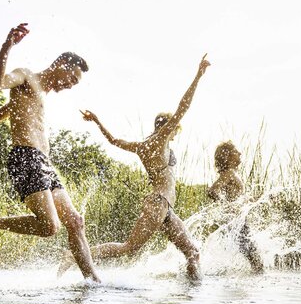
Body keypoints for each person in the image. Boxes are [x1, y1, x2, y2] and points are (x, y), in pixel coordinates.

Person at [0, 22, 100, 282]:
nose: (71, 85)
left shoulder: (41, 95)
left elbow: (4, 112)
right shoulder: (26, 76)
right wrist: (8, 45)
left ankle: (93, 281)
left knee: (75, 221)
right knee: (50, 227)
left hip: (43, 162)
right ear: (62, 64)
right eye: (73, 78)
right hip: (25, 158)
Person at [61, 55, 211, 282]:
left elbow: (112, 140)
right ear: (168, 128)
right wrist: (198, 75)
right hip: (159, 203)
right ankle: (75, 256)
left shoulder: (142, 146)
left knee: (192, 253)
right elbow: (184, 106)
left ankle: (191, 295)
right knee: (129, 247)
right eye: (173, 130)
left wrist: (97, 121)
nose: (174, 134)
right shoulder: (161, 140)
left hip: (164, 207)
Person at [207, 141, 264, 273]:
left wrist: (254, 200)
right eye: (236, 151)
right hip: (236, 221)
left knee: (253, 258)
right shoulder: (228, 173)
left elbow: (236, 198)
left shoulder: (231, 173)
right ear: (228, 156)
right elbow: (212, 191)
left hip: (238, 221)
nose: (240, 153)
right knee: (256, 262)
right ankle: (253, 286)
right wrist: (227, 206)